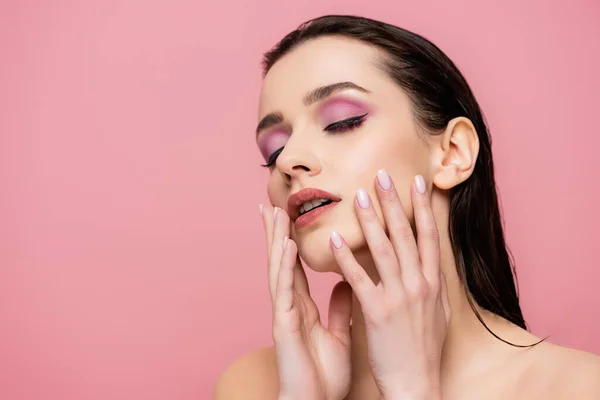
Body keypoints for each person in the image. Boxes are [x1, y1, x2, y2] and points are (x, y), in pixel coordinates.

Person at [214, 15, 600, 400]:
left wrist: (409, 391)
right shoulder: (255, 386)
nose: (288, 160)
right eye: (274, 149)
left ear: (453, 153)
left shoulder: (578, 387)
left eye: (342, 121)